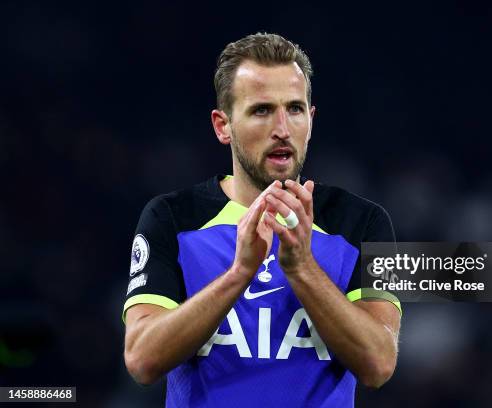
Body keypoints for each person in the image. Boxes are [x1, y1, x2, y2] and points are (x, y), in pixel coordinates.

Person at [122, 32, 402, 407]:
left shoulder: (364, 222)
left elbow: (379, 363)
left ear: (311, 119)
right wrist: (239, 273)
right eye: (261, 110)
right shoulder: (171, 218)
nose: (282, 129)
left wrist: (302, 268)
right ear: (223, 125)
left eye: (295, 109)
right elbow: (141, 359)